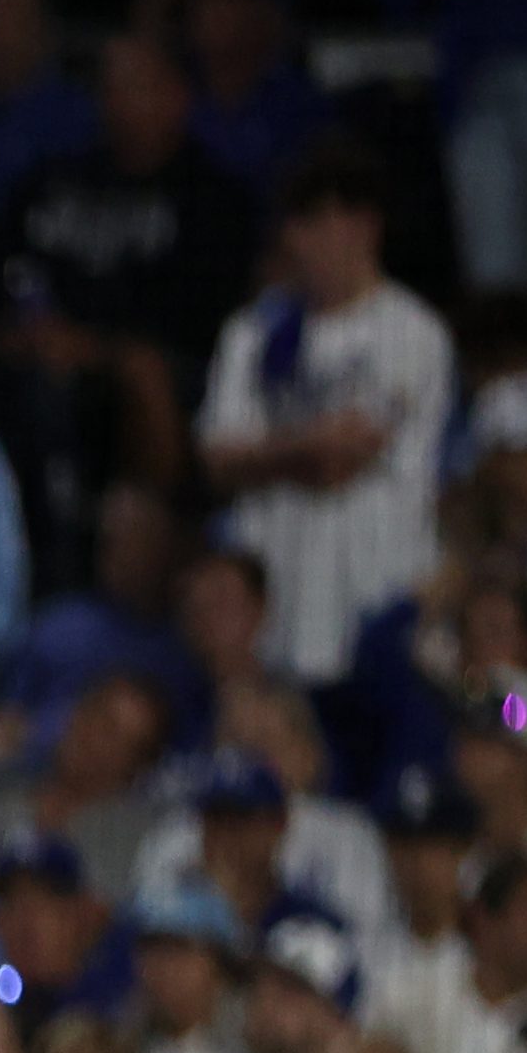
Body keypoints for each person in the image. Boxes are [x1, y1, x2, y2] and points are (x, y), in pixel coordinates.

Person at [196, 143, 452, 687]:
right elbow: (216, 463)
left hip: (377, 585)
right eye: (295, 222)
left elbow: (340, 461)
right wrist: (306, 445)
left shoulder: (412, 331)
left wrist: (263, 452)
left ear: (365, 226)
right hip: (275, 593)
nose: (298, 240)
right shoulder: (252, 332)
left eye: (317, 221)